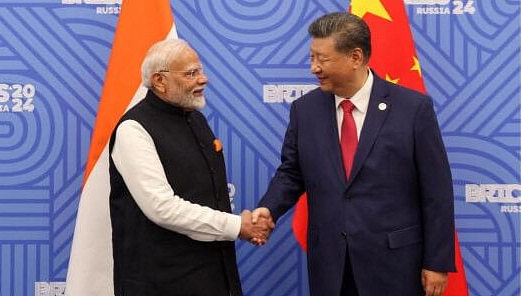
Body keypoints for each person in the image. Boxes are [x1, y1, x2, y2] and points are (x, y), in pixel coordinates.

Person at [252, 12, 455, 296]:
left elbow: (437, 191)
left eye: (322, 59)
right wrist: (269, 207)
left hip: (395, 265)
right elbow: (292, 172)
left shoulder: (412, 109)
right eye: (311, 57)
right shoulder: (305, 110)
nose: (314, 68)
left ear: (356, 57)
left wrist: (437, 262)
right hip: (331, 265)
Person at [109, 39, 272, 296]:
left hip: (213, 276)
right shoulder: (134, 129)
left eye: (201, 70)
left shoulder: (195, 119)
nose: (203, 79)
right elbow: (162, 208)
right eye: (191, 73)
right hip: (161, 283)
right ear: (159, 81)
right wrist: (237, 226)